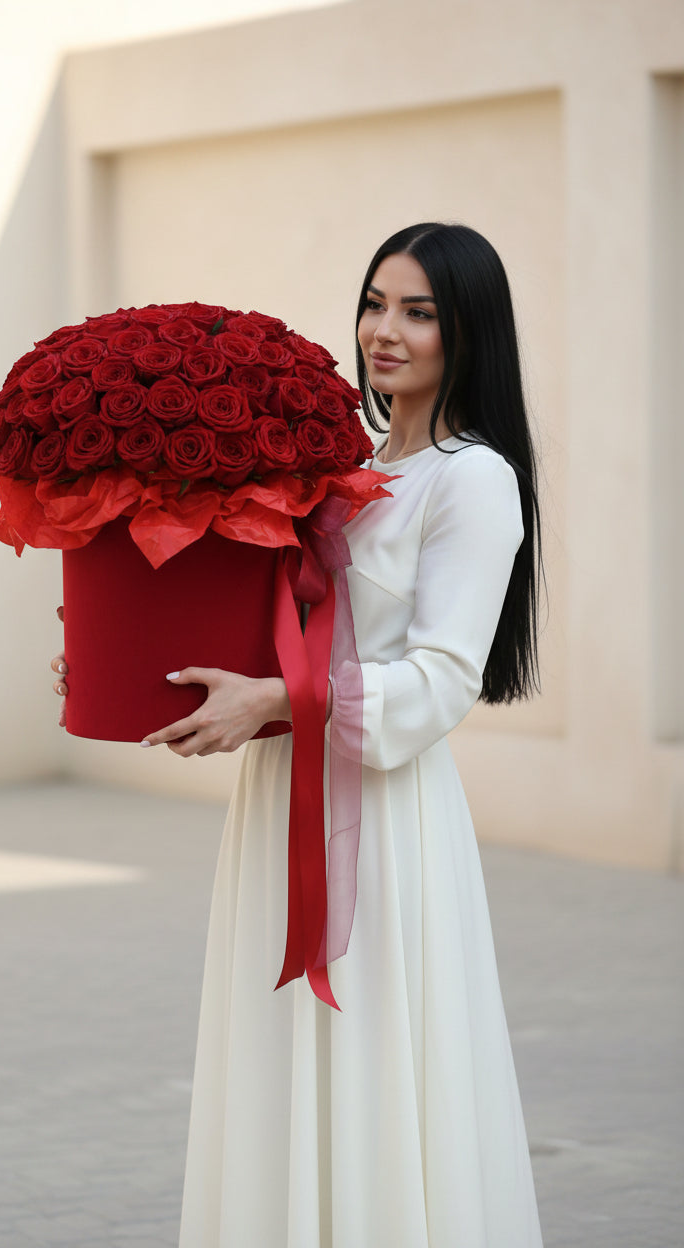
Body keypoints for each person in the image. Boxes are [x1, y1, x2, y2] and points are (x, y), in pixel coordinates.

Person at [52, 222, 544, 1247]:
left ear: (469, 330)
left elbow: (441, 680)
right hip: (287, 794)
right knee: (280, 1050)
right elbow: (269, 624)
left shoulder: (472, 480)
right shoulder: (345, 466)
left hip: (387, 814)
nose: (385, 330)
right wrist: (127, 664)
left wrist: (271, 701)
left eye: (418, 311)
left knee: (369, 1044)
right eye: (374, 303)